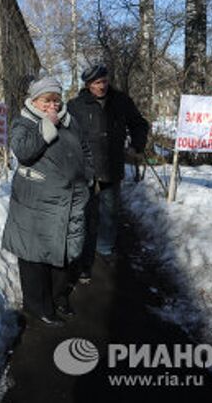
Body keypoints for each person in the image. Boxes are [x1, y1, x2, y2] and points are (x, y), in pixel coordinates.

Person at [2, 76, 94, 327]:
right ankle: (38, 307)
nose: (52, 105)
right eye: (46, 100)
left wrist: (88, 173)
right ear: (34, 101)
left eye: (55, 99)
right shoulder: (25, 122)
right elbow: (22, 151)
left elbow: (84, 150)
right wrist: (47, 126)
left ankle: (58, 298)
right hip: (36, 204)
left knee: (62, 254)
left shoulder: (70, 121)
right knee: (35, 257)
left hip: (69, 199)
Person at [67, 64, 149, 278]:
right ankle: (81, 256)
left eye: (104, 80)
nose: (102, 86)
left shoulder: (121, 101)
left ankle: (104, 249)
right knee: (84, 214)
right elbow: (65, 134)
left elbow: (139, 124)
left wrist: (136, 146)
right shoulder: (75, 106)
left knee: (110, 212)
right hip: (85, 171)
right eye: (96, 83)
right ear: (87, 85)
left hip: (111, 168)